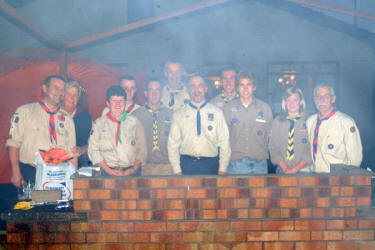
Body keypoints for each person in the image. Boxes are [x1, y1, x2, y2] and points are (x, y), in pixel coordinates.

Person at [6, 75, 77, 187]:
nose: (60, 92)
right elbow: (13, 143)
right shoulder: (24, 111)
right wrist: (16, 172)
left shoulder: (67, 118)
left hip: (59, 174)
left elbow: (72, 152)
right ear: (45, 88)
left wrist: (73, 180)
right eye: (56, 88)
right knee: (33, 204)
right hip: (30, 173)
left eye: (62, 89)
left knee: (55, 204)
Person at [168, 75, 231, 175]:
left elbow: (224, 142)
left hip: (211, 165)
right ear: (188, 90)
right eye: (192, 86)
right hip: (186, 165)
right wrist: (177, 170)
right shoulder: (178, 114)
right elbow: (172, 145)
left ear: (205, 88)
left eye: (200, 85)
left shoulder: (217, 112)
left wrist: (222, 168)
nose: (196, 90)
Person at [88, 85, 147, 176]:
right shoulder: (99, 124)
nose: (118, 104)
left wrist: (133, 169)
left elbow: (142, 149)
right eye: (114, 101)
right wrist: (108, 171)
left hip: (131, 171)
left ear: (125, 102)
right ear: (108, 103)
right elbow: (93, 150)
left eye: (121, 101)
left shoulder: (135, 122)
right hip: (105, 171)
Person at [223, 71, 273, 174]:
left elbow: (270, 136)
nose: (245, 88)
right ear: (237, 88)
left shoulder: (265, 108)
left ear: (254, 87)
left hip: (260, 164)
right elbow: (223, 138)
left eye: (249, 84)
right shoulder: (228, 108)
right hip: (236, 165)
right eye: (242, 85)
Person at [306, 84, 362, 173]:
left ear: (333, 99)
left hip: (337, 178)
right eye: (318, 96)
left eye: (326, 96)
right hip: (315, 175)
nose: (321, 100)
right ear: (314, 100)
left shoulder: (346, 122)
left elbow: (355, 159)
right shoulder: (310, 121)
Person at [132, 78, 173, 175]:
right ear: (145, 93)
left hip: (167, 166)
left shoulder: (171, 114)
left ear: (162, 93)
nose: (154, 94)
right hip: (144, 167)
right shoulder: (136, 115)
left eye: (157, 90)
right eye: (151, 90)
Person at [269, 87, 313, 174]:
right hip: (282, 170)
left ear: (301, 102)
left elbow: (310, 149)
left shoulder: (309, 121)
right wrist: (285, 169)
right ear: (285, 102)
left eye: (295, 100)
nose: (291, 103)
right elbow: (272, 147)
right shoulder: (277, 121)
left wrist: (294, 170)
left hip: (304, 171)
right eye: (288, 100)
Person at [61, 80, 93, 168]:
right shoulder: (54, 114)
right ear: (63, 95)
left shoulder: (84, 116)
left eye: (75, 95)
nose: (72, 98)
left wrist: (82, 149)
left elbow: (93, 142)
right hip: (57, 159)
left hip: (79, 158)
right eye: (69, 94)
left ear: (78, 98)